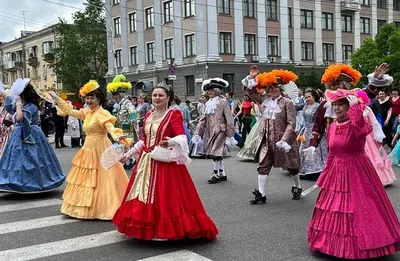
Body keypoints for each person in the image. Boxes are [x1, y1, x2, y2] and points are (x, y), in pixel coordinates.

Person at [112, 82, 218, 240]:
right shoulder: (148, 115)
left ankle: (165, 229)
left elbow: (182, 136)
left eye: (161, 95)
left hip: (163, 160)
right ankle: (150, 228)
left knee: (166, 196)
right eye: (154, 95)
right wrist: (128, 155)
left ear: (168, 98)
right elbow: (144, 140)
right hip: (145, 162)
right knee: (142, 194)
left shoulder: (173, 114)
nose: (157, 98)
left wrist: (170, 142)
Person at [308, 89, 400, 259]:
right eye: (334, 105)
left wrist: (356, 105)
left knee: (361, 206)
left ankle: (368, 244)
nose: (337, 108)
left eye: (340, 105)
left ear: (347, 106)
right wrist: (324, 175)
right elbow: (331, 153)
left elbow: (363, 129)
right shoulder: (333, 126)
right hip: (336, 170)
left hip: (357, 169)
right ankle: (332, 245)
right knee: (335, 207)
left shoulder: (357, 125)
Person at [50, 80, 129, 220]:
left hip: (101, 146)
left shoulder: (102, 113)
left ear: (99, 99)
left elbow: (110, 128)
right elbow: (69, 111)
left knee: (105, 177)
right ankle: (82, 206)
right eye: (87, 98)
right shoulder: (87, 112)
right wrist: (57, 99)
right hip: (88, 147)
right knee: (86, 178)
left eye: (92, 98)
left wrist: (117, 137)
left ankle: (105, 207)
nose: (89, 100)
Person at [244, 69, 302, 203]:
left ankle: (297, 186)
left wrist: (285, 140)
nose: (273, 89)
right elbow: (250, 92)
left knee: (292, 165)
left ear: (280, 88)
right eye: (270, 87)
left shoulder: (287, 102)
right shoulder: (264, 100)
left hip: (284, 140)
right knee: (263, 165)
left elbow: (291, 122)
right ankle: (261, 194)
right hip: (266, 139)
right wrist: (252, 78)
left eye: (276, 87)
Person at [0, 78, 65, 193]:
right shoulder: (23, 105)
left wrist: (19, 103)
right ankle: (14, 182)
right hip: (18, 134)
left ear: (24, 95)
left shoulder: (31, 106)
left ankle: (34, 182)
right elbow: (11, 109)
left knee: (33, 159)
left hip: (31, 133)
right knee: (16, 159)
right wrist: (6, 95)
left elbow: (20, 118)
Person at [304, 64, 361, 159]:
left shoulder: (352, 100)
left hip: (351, 147)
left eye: (338, 83)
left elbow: (368, 94)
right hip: (332, 148)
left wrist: (376, 79)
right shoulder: (325, 105)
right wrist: (312, 145)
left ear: (344, 85)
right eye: (333, 84)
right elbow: (318, 127)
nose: (336, 87)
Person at [193, 78, 235, 184]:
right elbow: (203, 119)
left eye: (212, 90)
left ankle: (216, 173)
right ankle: (223, 173)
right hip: (211, 131)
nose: (210, 92)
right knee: (217, 152)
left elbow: (229, 118)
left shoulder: (223, 102)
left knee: (215, 152)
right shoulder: (207, 103)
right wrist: (198, 133)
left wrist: (231, 134)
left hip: (221, 130)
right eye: (209, 90)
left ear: (217, 91)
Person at [298, 88, 327, 177]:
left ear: (314, 97)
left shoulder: (319, 106)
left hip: (315, 130)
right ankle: (305, 170)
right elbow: (296, 107)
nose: (307, 99)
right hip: (305, 130)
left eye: (309, 97)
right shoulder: (305, 105)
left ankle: (316, 170)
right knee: (302, 150)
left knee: (316, 150)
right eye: (306, 97)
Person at [108, 74, 138, 142]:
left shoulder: (127, 103)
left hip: (127, 133)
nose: (114, 97)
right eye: (113, 95)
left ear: (120, 95)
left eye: (116, 95)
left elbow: (133, 112)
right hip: (118, 133)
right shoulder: (116, 106)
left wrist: (134, 122)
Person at [0, 82, 13, 158]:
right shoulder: (2, 109)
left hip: (8, 136)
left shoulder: (10, 110)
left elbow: (17, 121)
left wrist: (10, 125)